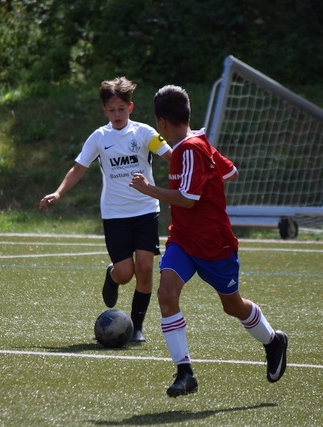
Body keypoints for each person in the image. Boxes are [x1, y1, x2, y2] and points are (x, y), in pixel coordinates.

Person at [129, 85, 288, 397]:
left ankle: (273, 340)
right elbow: (231, 172)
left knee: (233, 306)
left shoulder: (190, 149)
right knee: (166, 293)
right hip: (183, 240)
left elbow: (188, 199)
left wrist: (149, 189)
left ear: (162, 122)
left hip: (215, 244)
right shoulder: (197, 144)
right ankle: (185, 372)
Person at [39, 77, 172, 342]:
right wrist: (58, 192)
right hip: (115, 214)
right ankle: (111, 277)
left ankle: (136, 326)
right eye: (111, 110)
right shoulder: (99, 137)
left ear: (131, 107)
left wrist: (195, 164)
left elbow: (172, 156)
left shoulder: (145, 133)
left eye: (122, 109)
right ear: (104, 111)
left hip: (146, 210)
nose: (117, 114)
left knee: (145, 268)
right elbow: (78, 168)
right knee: (125, 273)